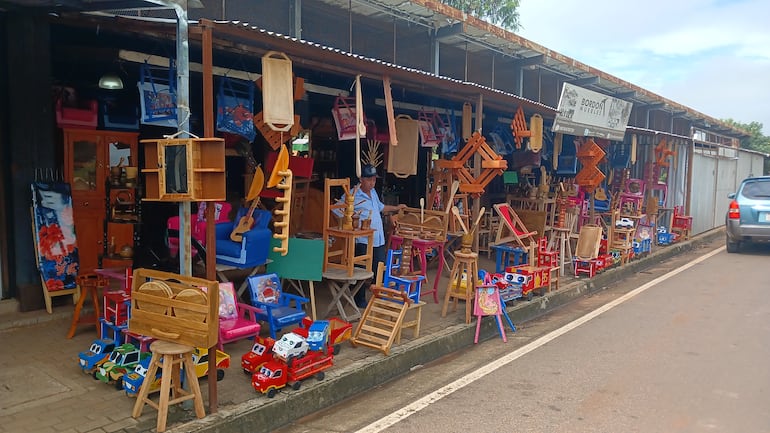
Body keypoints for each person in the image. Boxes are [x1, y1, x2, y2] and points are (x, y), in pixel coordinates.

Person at [342, 164, 405, 307]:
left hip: (377, 239)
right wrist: (350, 222)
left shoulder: (373, 192)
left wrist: (396, 208)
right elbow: (338, 209)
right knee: (360, 270)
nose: (372, 183)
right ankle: (359, 299)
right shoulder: (353, 194)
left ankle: (378, 297)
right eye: (369, 180)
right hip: (362, 240)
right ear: (361, 179)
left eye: (374, 180)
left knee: (379, 268)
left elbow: (381, 208)